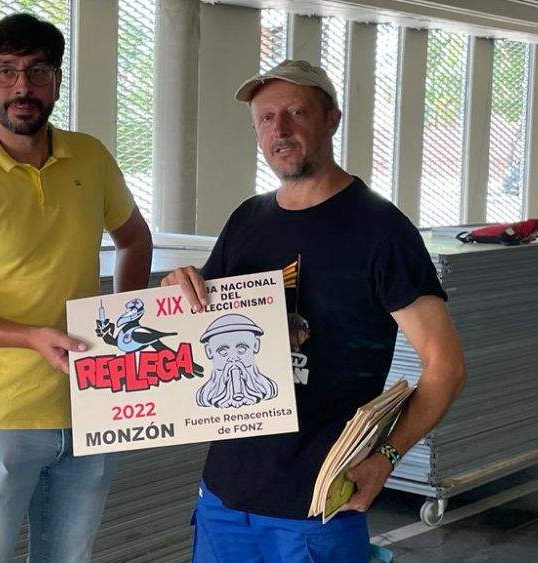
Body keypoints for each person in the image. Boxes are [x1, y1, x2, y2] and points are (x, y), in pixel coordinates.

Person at [162, 59, 467, 562]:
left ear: (332, 119)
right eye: (265, 118)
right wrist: (178, 290)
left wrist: (385, 458)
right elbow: (201, 327)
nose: (279, 129)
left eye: (296, 112)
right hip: (224, 496)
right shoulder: (247, 219)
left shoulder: (380, 230)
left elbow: (446, 366)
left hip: (319, 502)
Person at [0, 13, 152, 563]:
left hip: (88, 405)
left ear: (57, 81)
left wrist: (123, 320)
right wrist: (29, 337)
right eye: (7, 71)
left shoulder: (90, 157)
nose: (23, 86)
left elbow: (135, 238)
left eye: (38, 71)